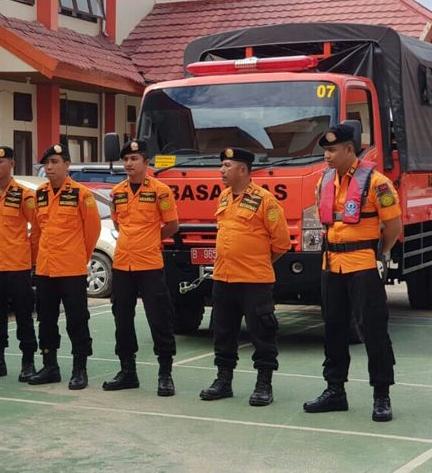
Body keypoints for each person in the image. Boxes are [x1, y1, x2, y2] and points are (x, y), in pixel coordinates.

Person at [303, 123, 401, 422]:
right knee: (333, 329)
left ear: (349, 149)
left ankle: (381, 395)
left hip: (362, 267)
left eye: (332, 150)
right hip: (330, 266)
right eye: (325, 151)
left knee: (373, 331)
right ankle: (335, 391)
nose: (327, 156)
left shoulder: (377, 183)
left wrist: (377, 254)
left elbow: (394, 228)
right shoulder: (323, 181)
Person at [199, 148, 290, 406]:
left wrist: (257, 262)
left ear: (242, 169)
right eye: (222, 165)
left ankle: (264, 384)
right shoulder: (224, 198)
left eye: (227, 165)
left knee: (262, 332)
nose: (221, 170)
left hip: (254, 281)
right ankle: (223, 381)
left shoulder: (265, 201)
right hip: (224, 278)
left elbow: (281, 243)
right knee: (223, 332)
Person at [102, 139, 179, 396]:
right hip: (123, 264)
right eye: (125, 159)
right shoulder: (117, 192)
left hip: (150, 264)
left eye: (134, 159)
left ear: (147, 162)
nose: (128, 164)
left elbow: (172, 225)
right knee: (122, 319)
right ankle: (127, 371)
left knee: (159, 319)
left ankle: (165, 373)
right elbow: (117, 224)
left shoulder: (160, 191)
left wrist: (150, 241)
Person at [28, 144, 101, 390]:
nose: (49, 167)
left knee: (76, 320)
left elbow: (92, 231)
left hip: (72, 269)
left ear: (67, 165)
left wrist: (80, 256)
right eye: (46, 163)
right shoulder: (39, 194)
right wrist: (36, 261)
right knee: (46, 319)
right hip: (46, 269)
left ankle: (79, 368)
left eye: (55, 162)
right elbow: (37, 233)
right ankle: (50, 366)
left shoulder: (82, 195)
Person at [0, 146, 38, 382]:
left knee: (23, 314)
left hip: (19, 266)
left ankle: (28, 361)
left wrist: (30, 258)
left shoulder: (25, 195)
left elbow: (37, 228)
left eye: (0, 162)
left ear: (11, 164)